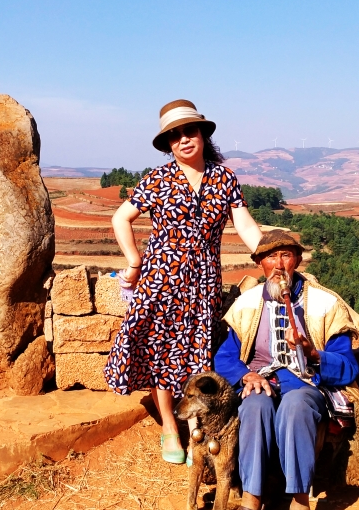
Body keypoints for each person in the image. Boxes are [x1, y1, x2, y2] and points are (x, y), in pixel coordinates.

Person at [104, 100, 262, 464]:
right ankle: (170, 429)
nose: (183, 139)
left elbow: (246, 225)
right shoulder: (157, 179)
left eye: (189, 131)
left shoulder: (225, 179)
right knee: (162, 353)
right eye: (174, 136)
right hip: (161, 278)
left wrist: (270, 257)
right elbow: (120, 218)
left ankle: (194, 426)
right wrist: (134, 261)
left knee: (197, 352)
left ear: (203, 134)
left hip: (204, 281)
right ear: (169, 144)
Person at [213, 230, 359, 510]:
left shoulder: (326, 304)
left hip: (306, 383)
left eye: (286, 255)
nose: (279, 263)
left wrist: (315, 356)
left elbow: (347, 365)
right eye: (271, 256)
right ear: (259, 263)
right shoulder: (247, 304)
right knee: (255, 407)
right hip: (261, 382)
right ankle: (251, 502)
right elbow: (225, 357)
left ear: (298, 260)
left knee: (296, 407)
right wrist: (245, 375)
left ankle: (300, 506)